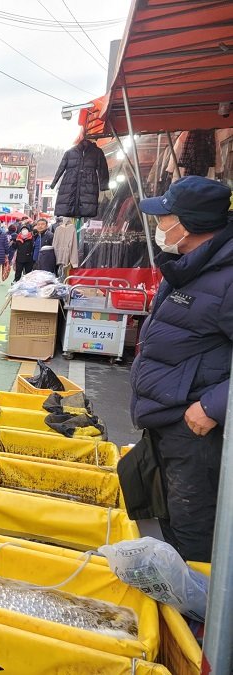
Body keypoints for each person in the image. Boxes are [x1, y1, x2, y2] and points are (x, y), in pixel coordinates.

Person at [129, 176, 233, 563]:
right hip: (168, 420)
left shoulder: (227, 277)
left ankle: (195, 619)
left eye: (165, 217)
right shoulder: (191, 264)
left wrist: (213, 406)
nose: (160, 226)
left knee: (194, 535)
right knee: (169, 519)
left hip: (195, 431)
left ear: (185, 224)